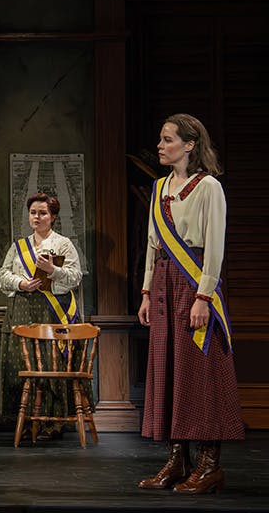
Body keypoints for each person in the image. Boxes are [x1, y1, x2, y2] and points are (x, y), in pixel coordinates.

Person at [136, 114, 244, 494]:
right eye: (162, 140)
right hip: (164, 286)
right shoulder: (159, 187)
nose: (161, 146)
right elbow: (152, 244)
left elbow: (214, 247)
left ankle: (209, 464)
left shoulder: (208, 187)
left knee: (199, 372)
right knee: (170, 371)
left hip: (193, 285)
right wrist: (147, 292)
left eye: (167, 140)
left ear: (189, 144)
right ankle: (176, 459)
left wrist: (204, 296)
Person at [0, 192, 83, 440]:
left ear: (53, 217)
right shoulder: (19, 246)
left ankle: (51, 422)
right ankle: (22, 422)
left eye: (42, 213)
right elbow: (3, 275)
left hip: (51, 311)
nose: (37, 217)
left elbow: (75, 277)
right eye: (33, 212)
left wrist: (52, 270)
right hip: (22, 310)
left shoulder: (63, 244)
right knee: (21, 364)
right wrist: (21, 284)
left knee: (50, 362)